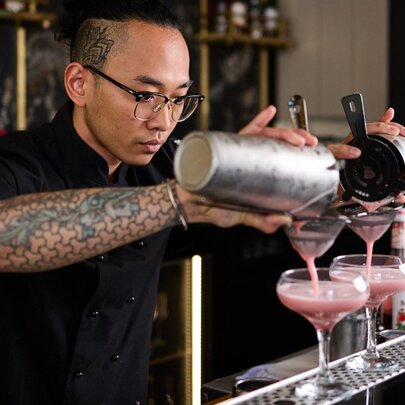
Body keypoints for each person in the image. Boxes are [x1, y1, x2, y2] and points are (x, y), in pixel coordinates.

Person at [0, 1, 403, 404]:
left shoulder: (166, 163)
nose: (163, 120)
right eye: (145, 95)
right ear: (79, 84)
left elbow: (280, 192)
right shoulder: (17, 165)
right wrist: (177, 201)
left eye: (178, 99)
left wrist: (354, 174)